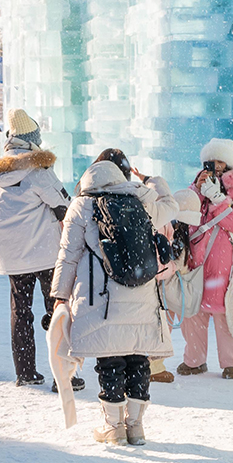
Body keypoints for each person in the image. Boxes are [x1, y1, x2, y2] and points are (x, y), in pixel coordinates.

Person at [51, 160, 177, 445]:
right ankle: (136, 427)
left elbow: (68, 256)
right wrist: (152, 180)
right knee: (138, 360)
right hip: (142, 296)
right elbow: (171, 205)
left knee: (110, 361)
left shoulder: (81, 206)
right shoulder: (141, 201)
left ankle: (114, 427)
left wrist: (60, 297)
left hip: (103, 299)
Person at [0, 108, 74, 388]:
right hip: (45, 253)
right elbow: (64, 205)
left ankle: (25, 371)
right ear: (32, 138)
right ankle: (63, 374)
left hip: (13, 256)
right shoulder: (38, 170)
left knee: (20, 312)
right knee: (57, 310)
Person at [178, 138, 233, 380]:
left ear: (228, 163)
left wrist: (218, 200)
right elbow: (186, 214)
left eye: (219, 161)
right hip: (196, 257)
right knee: (193, 310)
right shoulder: (199, 183)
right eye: (210, 161)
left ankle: (232, 363)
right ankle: (194, 361)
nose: (214, 165)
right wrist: (196, 190)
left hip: (224, 259)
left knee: (226, 310)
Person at [152, 188, 202, 383]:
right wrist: (176, 267)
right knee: (162, 328)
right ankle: (154, 367)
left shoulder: (165, 224)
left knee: (162, 327)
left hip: (160, 288)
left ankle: (154, 365)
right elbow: (163, 267)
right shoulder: (175, 232)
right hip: (163, 287)